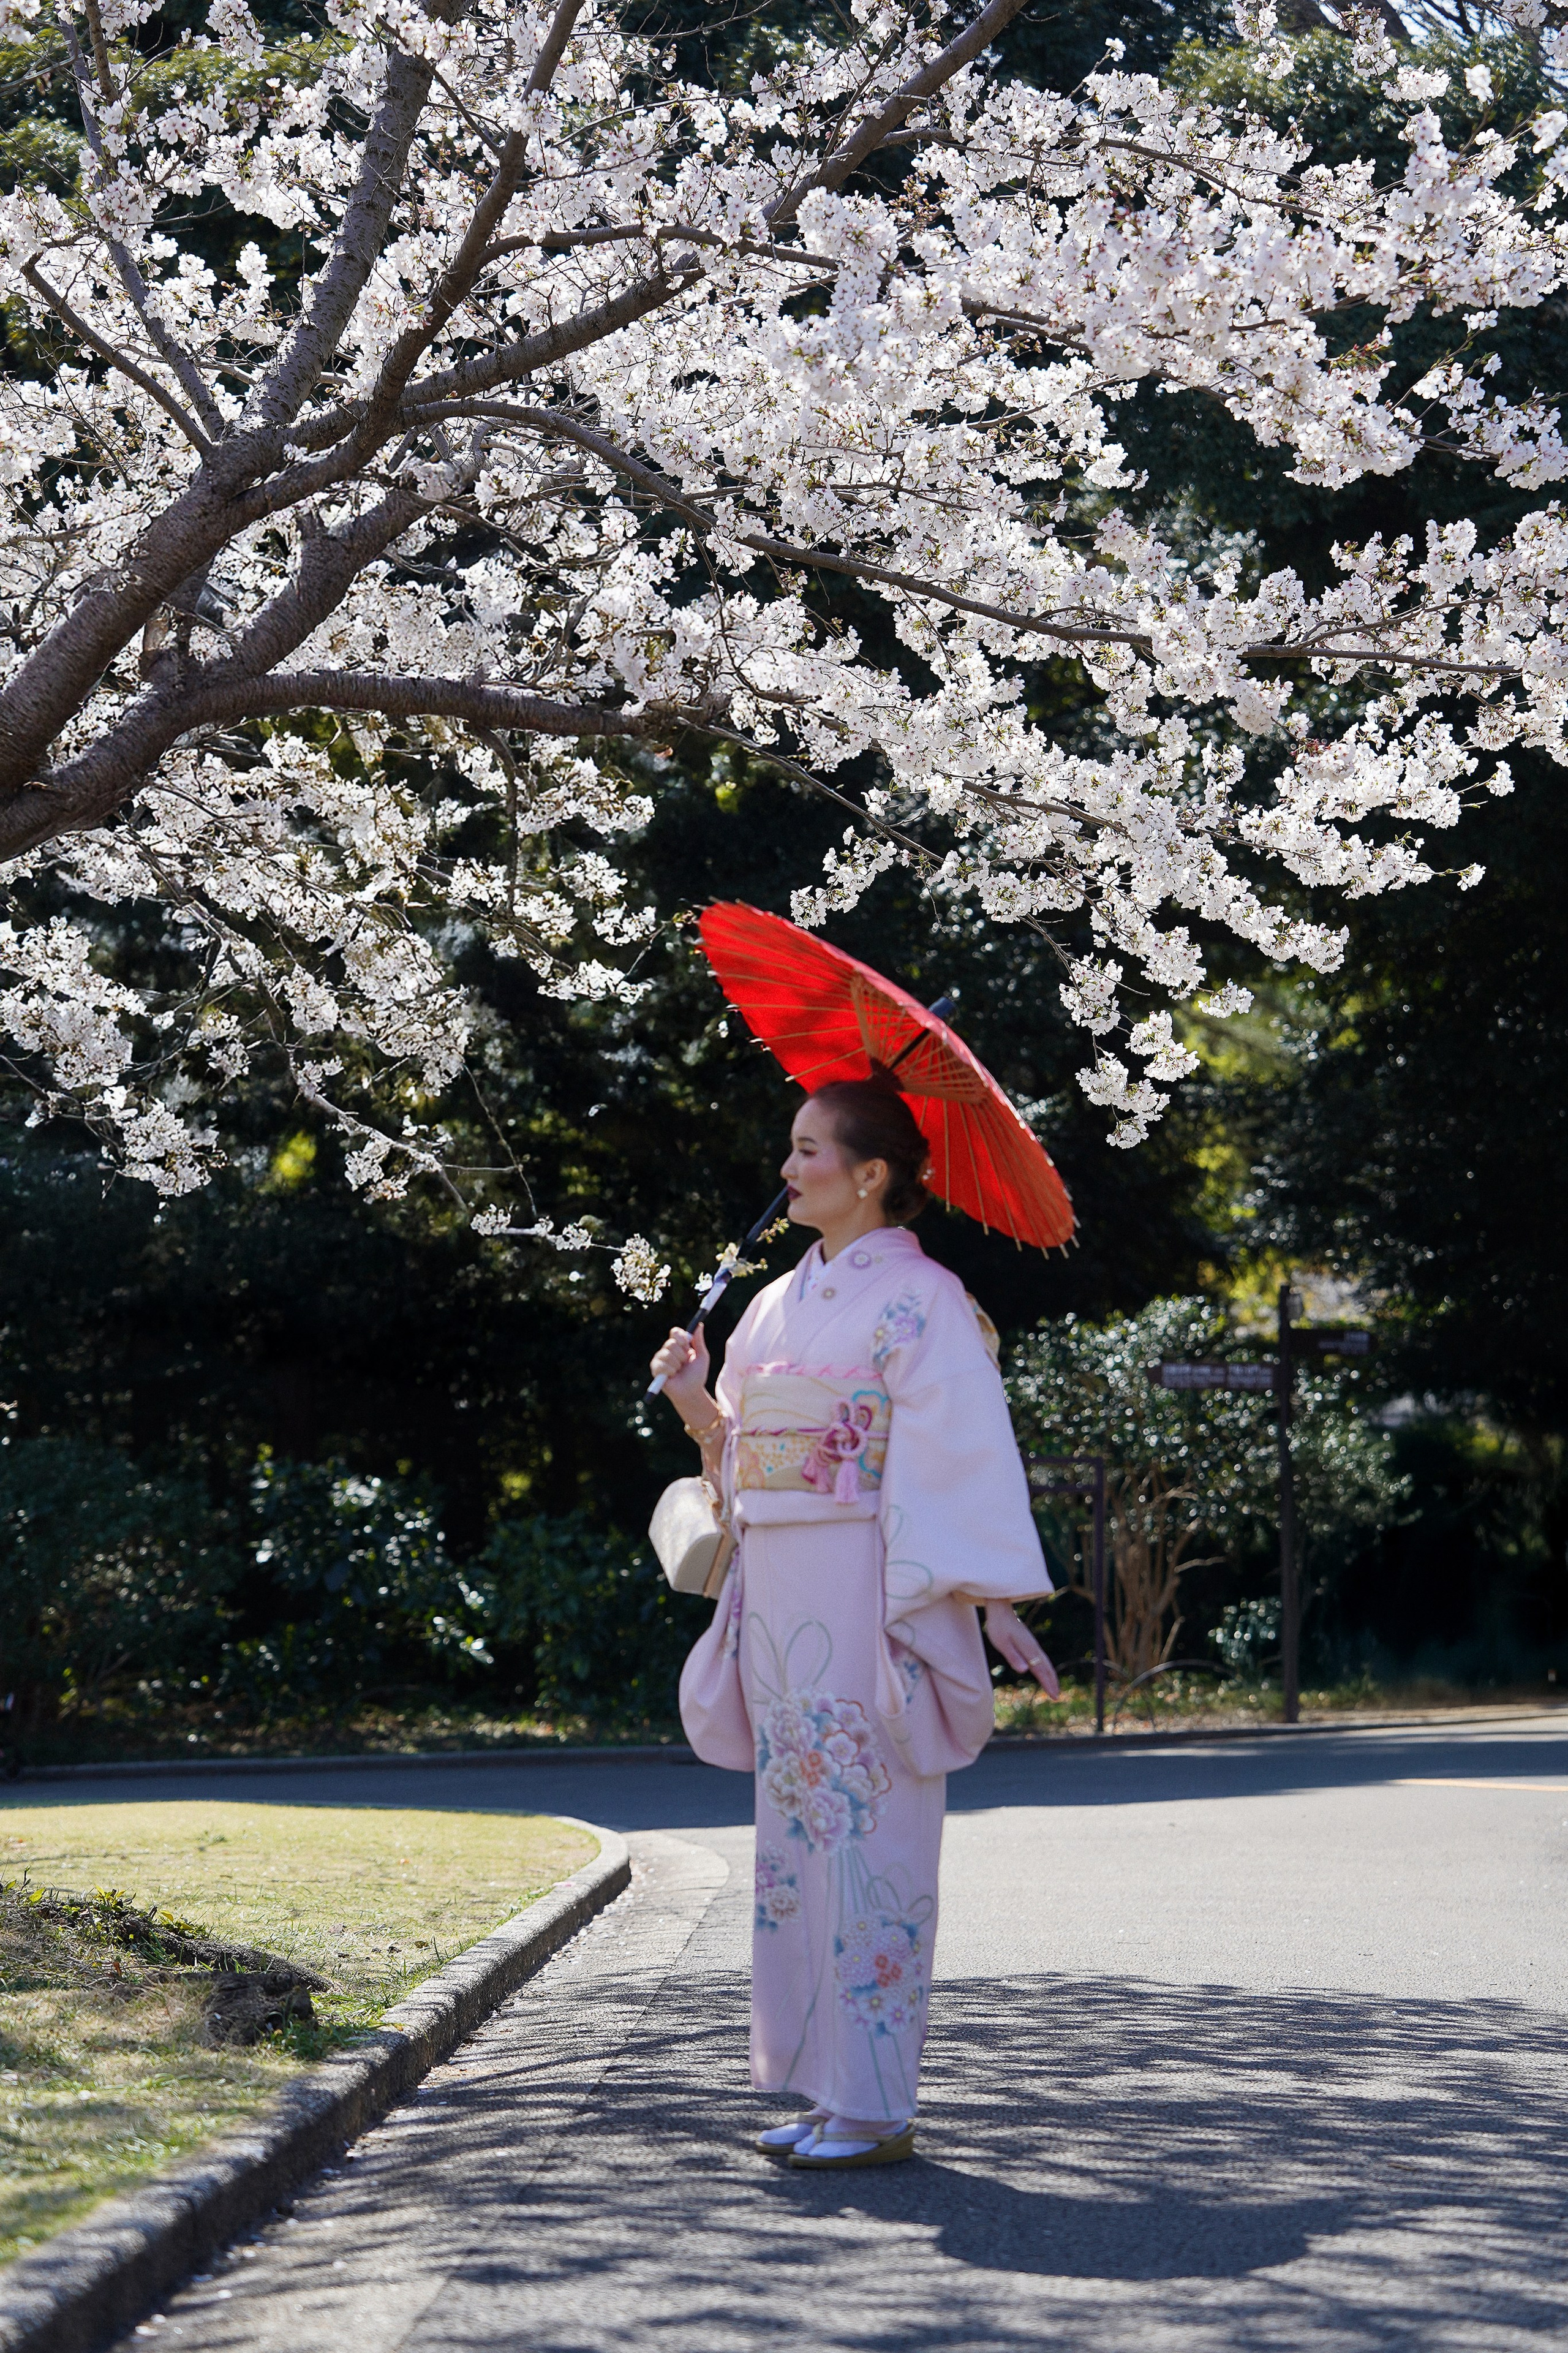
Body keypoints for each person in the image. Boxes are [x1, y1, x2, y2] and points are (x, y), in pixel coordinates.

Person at [649, 1075, 1059, 2171]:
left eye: (808, 1151)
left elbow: (955, 1460)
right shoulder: (774, 1302)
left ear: (870, 1175)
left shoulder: (922, 1300)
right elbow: (737, 1465)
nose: (788, 1170)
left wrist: (978, 1598)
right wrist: (699, 1404)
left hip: (868, 1587)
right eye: (790, 1149)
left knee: (873, 1837)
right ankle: (827, 2088)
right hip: (782, 1588)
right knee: (797, 1848)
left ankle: (877, 2102)